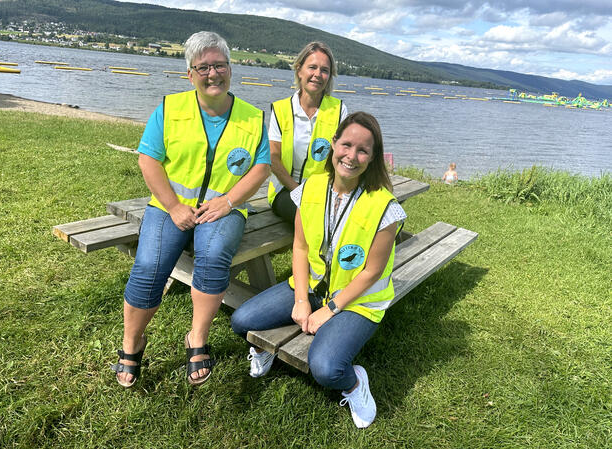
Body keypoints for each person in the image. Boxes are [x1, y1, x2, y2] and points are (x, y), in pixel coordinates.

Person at [111, 31, 271, 388]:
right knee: (150, 265)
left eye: (220, 65)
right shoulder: (169, 109)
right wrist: (173, 206)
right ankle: (132, 341)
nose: (213, 74)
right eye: (203, 67)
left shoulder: (253, 118)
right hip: (169, 208)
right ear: (190, 74)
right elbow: (148, 159)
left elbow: (260, 168)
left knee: (213, 257)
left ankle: (197, 337)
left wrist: (229, 202)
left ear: (231, 69)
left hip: (224, 209)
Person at [231, 112, 407, 428]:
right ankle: (268, 349)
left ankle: (355, 384)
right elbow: (300, 247)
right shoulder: (311, 187)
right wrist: (301, 299)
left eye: (363, 150)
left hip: (357, 301)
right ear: (334, 144)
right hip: (312, 286)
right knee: (242, 321)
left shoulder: (386, 207)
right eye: (347, 144)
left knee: (326, 369)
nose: (352, 156)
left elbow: (372, 272)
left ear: (373, 158)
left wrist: (330, 309)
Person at [267, 41, 348, 226]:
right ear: (299, 70)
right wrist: (298, 190)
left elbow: (343, 157)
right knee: (315, 217)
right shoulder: (281, 110)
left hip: (325, 191)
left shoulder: (339, 109)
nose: (318, 75)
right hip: (286, 189)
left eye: (325, 70)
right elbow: (273, 158)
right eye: (312, 67)